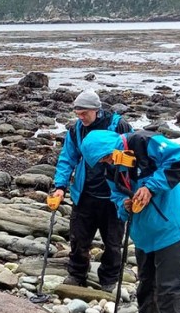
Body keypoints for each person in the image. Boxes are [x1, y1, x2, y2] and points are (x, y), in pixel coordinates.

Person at [79, 129, 180, 313]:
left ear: (113, 145)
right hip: (144, 230)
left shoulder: (142, 142)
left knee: (168, 286)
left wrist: (150, 187)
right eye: (103, 161)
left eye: (107, 156)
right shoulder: (111, 168)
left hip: (170, 226)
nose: (108, 162)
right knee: (146, 280)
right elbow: (116, 196)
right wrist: (124, 205)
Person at [50, 90, 132, 292]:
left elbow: (132, 155)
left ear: (96, 110)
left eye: (84, 113)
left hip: (114, 197)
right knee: (79, 238)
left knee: (113, 242)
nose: (81, 117)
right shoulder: (76, 130)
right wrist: (60, 186)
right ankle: (77, 274)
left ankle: (109, 279)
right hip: (85, 193)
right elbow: (67, 158)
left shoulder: (119, 126)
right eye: (77, 114)